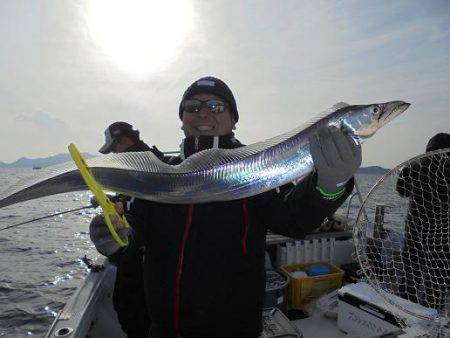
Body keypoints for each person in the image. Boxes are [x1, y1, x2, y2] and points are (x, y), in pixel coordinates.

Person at [123, 76, 361, 338]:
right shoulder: (160, 173)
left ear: (233, 119)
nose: (203, 113)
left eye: (215, 107)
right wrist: (116, 238)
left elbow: (292, 220)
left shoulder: (258, 167)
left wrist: (329, 185)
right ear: (182, 120)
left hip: (233, 328)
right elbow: (137, 235)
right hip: (164, 328)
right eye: (192, 107)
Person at [91, 121, 164, 338]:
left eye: (113, 149)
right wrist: (114, 201)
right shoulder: (136, 164)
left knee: (136, 316)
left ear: (123, 141)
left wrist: (123, 215)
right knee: (129, 311)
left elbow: (152, 213)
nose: (112, 154)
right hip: (135, 259)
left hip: (147, 261)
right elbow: (135, 201)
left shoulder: (148, 166)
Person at [396, 133, 450, 310]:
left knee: (410, 276)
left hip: (414, 232)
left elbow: (402, 191)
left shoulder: (414, 166)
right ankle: (430, 318)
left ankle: (404, 314)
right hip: (442, 239)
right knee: (436, 282)